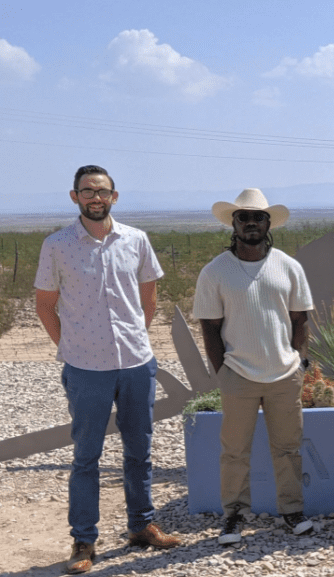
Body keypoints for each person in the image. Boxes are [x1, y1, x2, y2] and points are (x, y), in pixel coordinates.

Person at [35, 165, 182, 574]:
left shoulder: (136, 240)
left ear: (114, 196)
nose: (94, 197)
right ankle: (83, 541)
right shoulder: (57, 245)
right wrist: (69, 346)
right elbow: (45, 304)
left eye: (101, 191)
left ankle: (142, 526)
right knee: (86, 457)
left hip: (136, 363)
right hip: (86, 368)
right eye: (86, 191)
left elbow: (148, 297)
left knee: (140, 451)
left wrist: (136, 337)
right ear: (74, 196)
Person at [193, 188, 315, 546]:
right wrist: (224, 372)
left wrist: (299, 362)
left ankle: (292, 512)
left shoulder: (289, 267)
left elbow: (300, 319)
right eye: (243, 217)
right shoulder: (215, 271)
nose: (250, 223)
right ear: (233, 224)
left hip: (284, 374)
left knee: (288, 448)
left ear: (268, 223)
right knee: (234, 451)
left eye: (257, 217)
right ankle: (234, 516)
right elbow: (210, 328)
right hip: (239, 376)